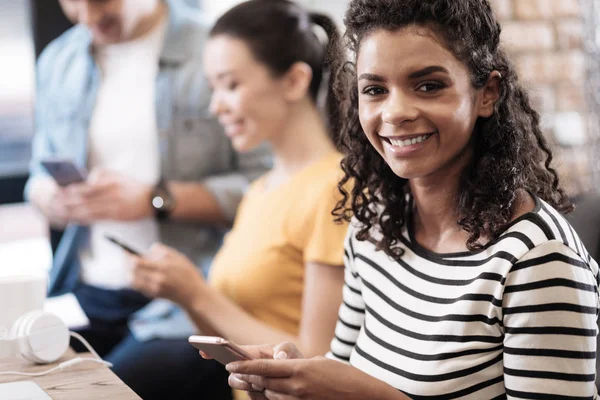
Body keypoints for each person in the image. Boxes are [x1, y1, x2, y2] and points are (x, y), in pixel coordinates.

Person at [222, 0, 600, 399]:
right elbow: (344, 372)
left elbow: (359, 391)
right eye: (375, 90)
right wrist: (298, 381)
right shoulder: (372, 224)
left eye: (428, 85)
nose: (396, 111)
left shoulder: (537, 258)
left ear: (487, 94)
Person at [25, 0, 269, 398]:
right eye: (72, 4)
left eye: (101, 2)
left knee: (102, 390)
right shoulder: (59, 60)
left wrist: (156, 200)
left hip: (187, 299)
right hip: (85, 288)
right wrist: (48, 197)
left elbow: (266, 182)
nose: (87, 17)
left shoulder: (216, 49)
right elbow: (37, 173)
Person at [129, 0, 348, 396]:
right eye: (213, 88)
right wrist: (183, 293)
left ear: (294, 81)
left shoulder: (334, 188)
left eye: (231, 85)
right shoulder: (259, 191)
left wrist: (197, 292)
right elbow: (228, 340)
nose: (216, 106)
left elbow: (316, 361)